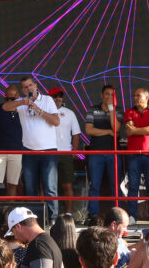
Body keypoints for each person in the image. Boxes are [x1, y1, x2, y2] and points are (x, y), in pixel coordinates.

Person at [3, 76, 61, 221]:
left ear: (35, 86)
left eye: (30, 85)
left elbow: (56, 121)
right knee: (30, 188)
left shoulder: (47, 100)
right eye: (25, 87)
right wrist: (23, 101)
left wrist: (38, 110)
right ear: (22, 90)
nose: (28, 89)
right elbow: (5, 107)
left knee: (50, 188)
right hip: (29, 151)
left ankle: (53, 219)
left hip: (48, 151)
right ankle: (33, 220)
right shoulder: (21, 103)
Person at [124, 87, 149, 218]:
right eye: (134, 95)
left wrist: (137, 130)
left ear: (147, 97)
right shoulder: (129, 111)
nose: (135, 98)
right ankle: (132, 216)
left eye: (138, 95)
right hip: (133, 155)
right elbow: (129, 131)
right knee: (133, 186)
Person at [86, 85, 122, 219]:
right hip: (96, 152)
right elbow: (89, 130)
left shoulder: (118, 110)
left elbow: (116, 129)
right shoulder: (93, 109)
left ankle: (116, 215)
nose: (109, 97)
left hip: (113, 153)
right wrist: (107, 132)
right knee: (94, 185)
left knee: (115, 185)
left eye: (112, 95)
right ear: (101, 95)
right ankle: (93, 215)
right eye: (107, 94)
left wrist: (111, 108)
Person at [47, 88, 82, 216]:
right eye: (55, 96)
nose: (58, 99)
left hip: (65, 153)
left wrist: (74, 152)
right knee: (47, 186)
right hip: (48, 153)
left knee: (67, 185)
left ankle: (68, 214)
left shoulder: (69, 113)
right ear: (50, 98)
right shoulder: (44, 112)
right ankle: (47, 214)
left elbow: (76, 134)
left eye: (60, 96)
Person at [0, 85, 24, 198]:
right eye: (7, 99)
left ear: (18, 96)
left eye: (12, 99)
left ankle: (10, 212)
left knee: (12, 184)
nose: (9, 101)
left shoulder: (24, 111)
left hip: (17, 151)